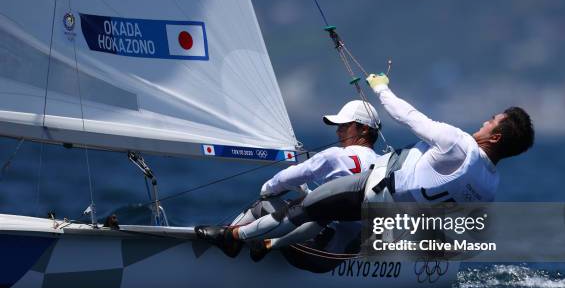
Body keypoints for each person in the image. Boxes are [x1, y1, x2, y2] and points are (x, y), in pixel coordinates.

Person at [228, 73, 535, 251]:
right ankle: (271, 246)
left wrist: (381, 88)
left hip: (370, 191)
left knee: (307, 209)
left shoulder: (459, 143)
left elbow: (410, 117)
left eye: (491, 121)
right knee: (319, 215)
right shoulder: (490, 186)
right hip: (391, 222)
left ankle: (233, 236)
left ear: (494, 138)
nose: (484, 121)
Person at [199, 100, 381, 259]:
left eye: (343, 126)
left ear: (363, 129)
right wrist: (308, 193)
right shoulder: (383, 164)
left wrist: (267, 190)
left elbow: (285, 179)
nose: (338, 132)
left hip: (315, 250)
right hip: (347, 253)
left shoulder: (336, 156)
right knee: (315, 209)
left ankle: (228, 240)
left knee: (264, 205)